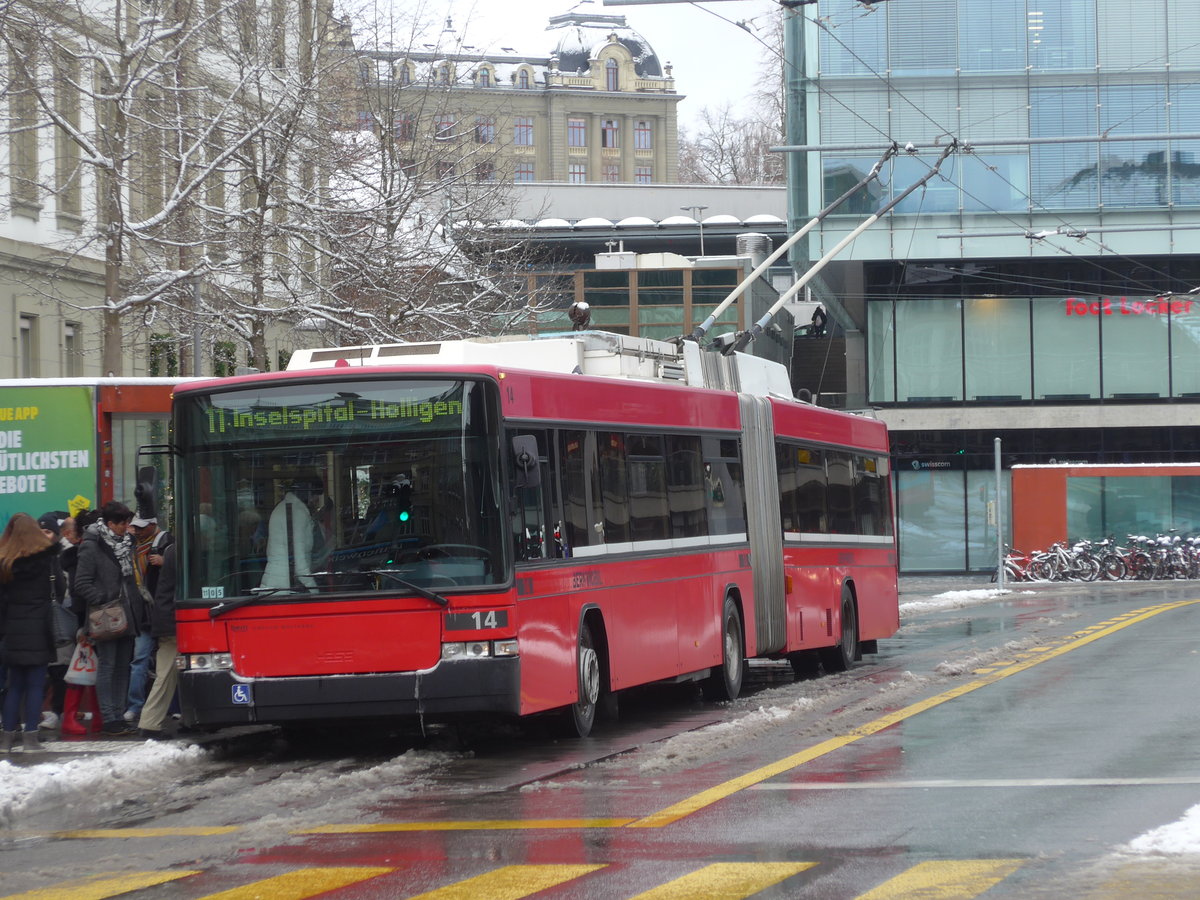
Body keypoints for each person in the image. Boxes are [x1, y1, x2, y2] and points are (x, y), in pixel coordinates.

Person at [72, 501, 140, 736]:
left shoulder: (126, 543)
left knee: (122, 667)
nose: (125, 527)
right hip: (105, 615)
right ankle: (110, 719)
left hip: (127, 613)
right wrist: (103, 599)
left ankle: (119, 716)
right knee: (108, 666)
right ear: (110, 523)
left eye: (127, 523)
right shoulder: (91, 545)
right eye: (122, 523)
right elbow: (81, 583)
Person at [0, 513, 62, 752]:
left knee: (14, 686)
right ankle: (31, 739)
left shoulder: (5, 562)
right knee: (35, 686)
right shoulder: (47, 560)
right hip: (39, 629)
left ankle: (6, 740)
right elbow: (59, 590)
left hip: (12, 631)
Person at [125, 515, 173, 725]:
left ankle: (152, 710)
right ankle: (136, 707)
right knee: (142, 661)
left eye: (141, 527)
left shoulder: (167, 544)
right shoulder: (132, 547)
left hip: (158, 612)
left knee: (159, 664)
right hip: (147, 613)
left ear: (153, 525)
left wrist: (165, 562)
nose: (137, 531)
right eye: (135, 527)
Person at [137, 543, 178, 740]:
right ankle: (150, 723)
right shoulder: (180, 550)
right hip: (172, 621)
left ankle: (150, 722)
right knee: (166, 673)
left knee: (166, 673)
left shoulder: (171, 550)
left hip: (166, 618)